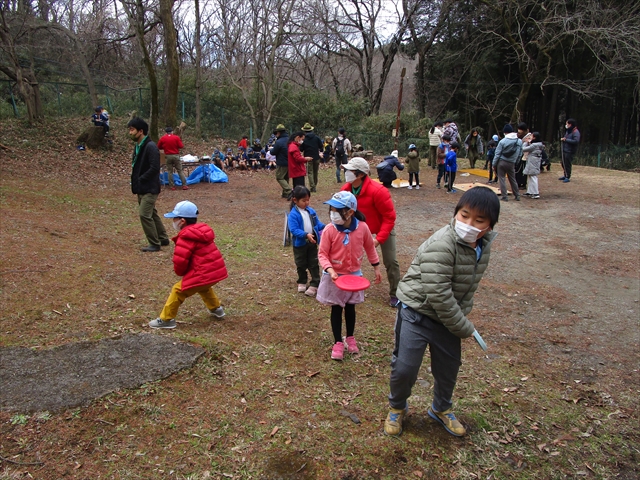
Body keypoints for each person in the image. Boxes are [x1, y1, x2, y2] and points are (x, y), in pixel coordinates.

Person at [384, 186, 500, 437]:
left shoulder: (482, 246)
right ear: (456, 213)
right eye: (464, 215)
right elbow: (439, 295)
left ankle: (441, 408)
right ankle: (397, 407)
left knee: (449, 368)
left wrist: (462, 314)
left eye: (479, 220)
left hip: (447, 319)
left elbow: (467, 285)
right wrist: (464, 326)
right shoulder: (442, 243)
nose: (469, 223)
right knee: (405, 368)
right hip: (417, 312)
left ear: (489, 227)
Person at [317, 191, 382, 360]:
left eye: (336, 210)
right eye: (331, 209)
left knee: (351, 307)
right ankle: (338, 341)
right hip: (336, 277)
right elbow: (322, 254)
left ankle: (350, 337)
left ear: (350, 212)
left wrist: (376, 267)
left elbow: (370, 248)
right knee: (337, 308)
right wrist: (330, 269)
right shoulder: (329, 230)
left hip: (354, 278)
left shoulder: (362, 228)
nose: (332, 213)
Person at [149, 201, 228, 329]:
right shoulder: (200, 232)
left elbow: (180, 261)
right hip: (214, 272)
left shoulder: (186, 237)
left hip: (204, 273)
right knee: (203, 287)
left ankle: (166, 319)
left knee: (178, 290)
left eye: (175, 218)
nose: (173, 221)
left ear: (182, 221)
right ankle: (216, 309)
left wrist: (180, 272)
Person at [341, 157, 401, 307]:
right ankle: (348, 287)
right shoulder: (345, 190)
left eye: (349, 170)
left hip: (382, 227)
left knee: (391, 261)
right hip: (360, 229)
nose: (346, 172)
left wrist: (378, 239)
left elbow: (389, 217)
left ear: (360, 174)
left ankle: (396, 293)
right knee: (348, 257)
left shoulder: (378, 191)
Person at [128, 117, 169, 252]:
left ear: (141, 131)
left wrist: (142, 179)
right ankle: (163, 238)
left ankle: (154, 243)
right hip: (141, 187)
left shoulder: (150, 146)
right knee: (152, 213)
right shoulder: (138, 146)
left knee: (144, 214)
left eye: (132, 130)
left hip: (150, 187)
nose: (130, 133)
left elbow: (154, 167)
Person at [288, 185, 326, 297]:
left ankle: (315, 283)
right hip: (300, 245)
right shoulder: (293, 215)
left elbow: (317, 224)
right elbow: (294, 230)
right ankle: (302, 281)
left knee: (313, 263)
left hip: (312, 242)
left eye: (308, 200)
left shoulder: (311, 211)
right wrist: (305, 235)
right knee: (301, 263)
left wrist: (325, 227)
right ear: (295, 200)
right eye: (304, 200)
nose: (306, 203)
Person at [492, 124, 522, 202]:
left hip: (501, 162)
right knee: (512, 179)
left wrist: (494, 164)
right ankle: (517, 195)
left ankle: (504, 196)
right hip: (512, 162)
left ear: (505, 132)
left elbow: (497, 154)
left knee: (502, 179)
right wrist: (516, 162)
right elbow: (520, 154)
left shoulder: (502, 141)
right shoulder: (519, 141)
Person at [157, 126, 188, 191]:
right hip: (176, 155)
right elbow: (181, 146)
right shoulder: (176, 137)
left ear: (166, 132)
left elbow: (158, 146)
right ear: (172, 132)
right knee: (179, 170)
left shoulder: (163, 138)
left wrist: (164, 147)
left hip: (168, 156)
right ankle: (184, 185)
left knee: (170, 171)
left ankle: (172, 186)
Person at [301, 123, 324, 192]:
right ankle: (315, 184)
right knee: (315, 172)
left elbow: (301, 149)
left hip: (308, 158)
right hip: (316, 157)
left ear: (304, 131)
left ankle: (312, 186)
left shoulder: (304, 139)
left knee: (310, 172)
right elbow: (321, 146)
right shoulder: (316, 138)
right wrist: (320, 152)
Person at [270, 124, 291, 199]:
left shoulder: (279, 142)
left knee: (279, 177)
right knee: (286, 178)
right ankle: (285, 194)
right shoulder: (289, 139)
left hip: (282, 162)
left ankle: (289, 191)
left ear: (279, 132)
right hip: (289, 162)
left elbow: (273, 152)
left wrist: (271, 149)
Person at [522, 131, 544, 199]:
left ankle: (536, 193)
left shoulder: (534, 145)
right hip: (534, 161)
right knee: (530, 176)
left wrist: (525, 142)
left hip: (532, 162)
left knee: (533, 177)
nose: (530, 137)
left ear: (534, 137)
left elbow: (524, 149)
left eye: (531, 136)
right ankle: (530, 191)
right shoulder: (539, 144)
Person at [560, 118, 580, 183]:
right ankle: (565, 174)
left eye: (567, 124)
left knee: (567, 164)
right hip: (565, 149)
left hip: (570, 150)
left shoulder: (576, 132)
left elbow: (576, 141)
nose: (566, 125)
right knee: (563, 163)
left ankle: (568, 176)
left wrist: (566, 140)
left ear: (570, 124)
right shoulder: (568, 131)